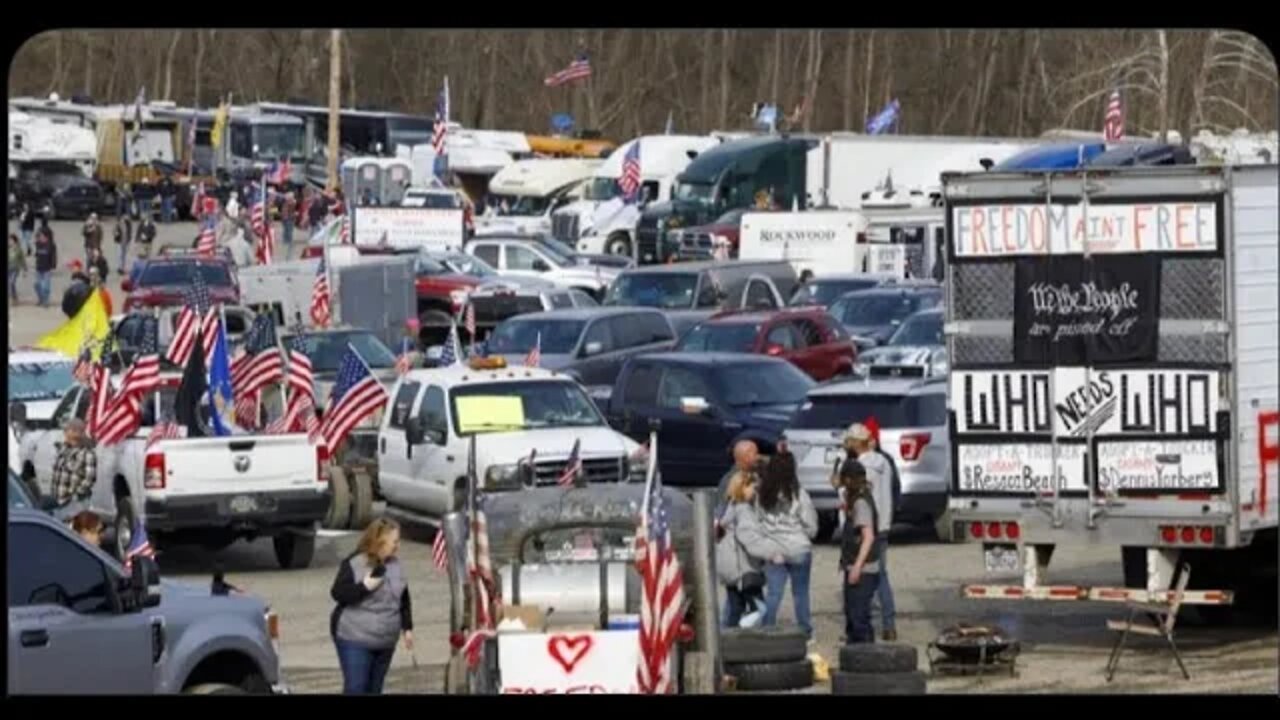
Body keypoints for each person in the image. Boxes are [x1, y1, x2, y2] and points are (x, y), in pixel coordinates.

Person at [739, 449, 818, 639]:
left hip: (774, 549)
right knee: (800, 593)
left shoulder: (762, 495)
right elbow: (811, 524)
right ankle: (805, 631)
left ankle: (768, 629)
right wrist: (806, 536)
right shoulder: (799, 494)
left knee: (774, 593)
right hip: (798, 548)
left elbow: (758, 520)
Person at [330, 517, 414, 695]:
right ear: (380, 540)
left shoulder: (396, 565)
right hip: (354, 637)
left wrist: (407, 627)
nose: (398, 546)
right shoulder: (355, 563)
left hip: (385, 641)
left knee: (375, 689)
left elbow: (403, 597)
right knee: (356, 688)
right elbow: (338, 593)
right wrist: (365, 587)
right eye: (395, 541)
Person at [841, 422, 898, 641]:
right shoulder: (884, 461)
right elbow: (894, 489)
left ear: (854, 444)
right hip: (884, 521)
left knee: (867, 577)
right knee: (881, 575)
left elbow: (853, 496)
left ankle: (864, 626)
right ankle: (889, 623)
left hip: (866, 525)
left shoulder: (859, 468)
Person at [835, 457, 880, 644]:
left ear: (848, 480)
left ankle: (866, 655)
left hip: (863, 568)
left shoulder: (861, 503)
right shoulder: (857, 500)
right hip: (853, 563)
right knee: (853, 615)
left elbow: (868, 537)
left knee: (858, 617)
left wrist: (856, 567)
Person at [716, 467, 765, 628]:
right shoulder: (744, 509)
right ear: (743, 487)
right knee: (760, 608)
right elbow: (749, 538)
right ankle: (751, 640)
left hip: (730, 568)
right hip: (744, 568)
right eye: (753, 487)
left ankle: (728, 639)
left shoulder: (731, 505)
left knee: (735, 607)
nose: (756, 491)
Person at [50, 418, 97, 521]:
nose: (64, 433)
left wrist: (74, 495)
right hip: (58, 502)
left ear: (76, 432)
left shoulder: (86, 453)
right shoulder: (63, 450)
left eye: (67, 430)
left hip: (74, 504)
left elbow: (89, 478)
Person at [32, 227, 57, 308]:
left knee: (45, 287)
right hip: (38, 267)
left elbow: (53, 256)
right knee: (37, 285)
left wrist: (53, 265)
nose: (40, 237)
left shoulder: (51, 245)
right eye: (40, 236)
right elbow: (36, 253)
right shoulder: (38, 243)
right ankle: (40, 299)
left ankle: (46, 301)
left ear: (46, 236)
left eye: (42, 235)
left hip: (47, 268)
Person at [9, 233, 27, 303]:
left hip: (15, 269)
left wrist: (25, 270)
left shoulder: (19, 249)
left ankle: (14, 298)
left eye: (11, 240)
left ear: (14, 241)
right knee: (10, 284)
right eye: (9, 240)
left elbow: (22, 260)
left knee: (12, 283)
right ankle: (14, 298)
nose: (9, 242)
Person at [281, 192, 297, 258]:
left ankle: (287, 241)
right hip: (288, 218)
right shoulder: (290, 203)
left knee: (287, 230)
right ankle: (288, 241)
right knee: (288, 230)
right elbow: (289, 211)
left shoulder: (289, 203)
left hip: (288, 218)